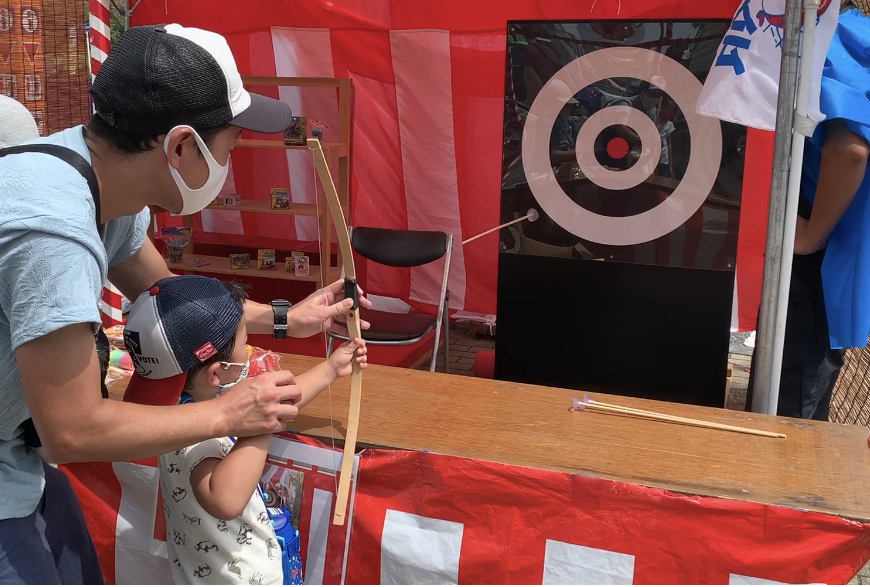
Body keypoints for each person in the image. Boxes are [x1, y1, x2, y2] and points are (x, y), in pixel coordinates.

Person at [0, 24, 370, 584]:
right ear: (179, 146)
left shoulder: (95, 181)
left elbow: (175, 305)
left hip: (18, 457)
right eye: (229, 147)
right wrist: (229, 414)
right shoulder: (54, 233)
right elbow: (72, 431)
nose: (230, 162)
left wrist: (288, 319)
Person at [120, 276, 366, 584]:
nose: (249, 351)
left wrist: (330, 369)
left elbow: (278, 401)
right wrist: (263, 423)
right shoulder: (189, 428)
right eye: (245, 343)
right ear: (216, 372)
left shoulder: (165, 410)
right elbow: (224, 499)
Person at [746, 2, 870, 420]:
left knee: (785, 416)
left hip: (815, 260)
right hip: (836, 255)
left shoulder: (826, 36)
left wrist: (811, 236)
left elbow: (849, 150)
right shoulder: (852, 33)